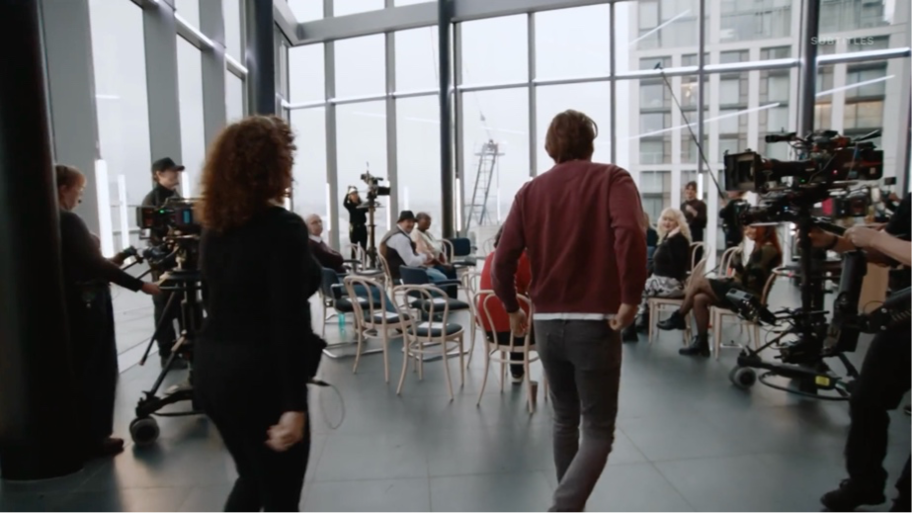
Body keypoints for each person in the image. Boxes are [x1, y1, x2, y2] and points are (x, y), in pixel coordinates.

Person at [492, 109, 647, 513]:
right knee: (598, 430)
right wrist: (630, 296)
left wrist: (511, 306)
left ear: (550, 146)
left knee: (564, 419)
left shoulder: (530, 192)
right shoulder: (613, 179)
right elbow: (630, 233)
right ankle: (564, 507)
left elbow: (502, 259)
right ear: (590, 143)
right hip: (594, 323)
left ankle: (569, 505)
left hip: (546, 325)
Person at [196, 116, 324, 513]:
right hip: (260, 379)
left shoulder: (214, 229)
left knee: (252, 478)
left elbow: (214, 300)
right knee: (281, 496)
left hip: (213, 370)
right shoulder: (283, 228)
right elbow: (287, 319)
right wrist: (293, 405)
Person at [56, 165, 161, 458]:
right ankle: (96, 437)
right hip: (88, 307)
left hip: (74, 305)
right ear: (64, 189)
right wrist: (141, 285)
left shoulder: (47, 220)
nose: (79, 196)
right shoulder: (68, 221)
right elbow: (94, 265)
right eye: (78, 189)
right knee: (97, 369)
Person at [817, 193, 912, 514]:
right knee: (866, 398)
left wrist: (875, 238)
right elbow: (886, 252)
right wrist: (834, 241)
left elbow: (883, 243)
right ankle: (865, 483)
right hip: (906, 315)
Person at [658, 225, 782, 357]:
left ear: (765, 229)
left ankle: (679, 316)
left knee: (700, 281)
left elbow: (751, 278)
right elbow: (745, 276)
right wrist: (736, 265)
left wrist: (735, 272)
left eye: (752, 228)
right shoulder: (759, 247)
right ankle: (701, 343)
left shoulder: (768, 250)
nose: (747, 231)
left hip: (749, 299)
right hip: (743, 293)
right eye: (745, 229)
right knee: (699, 299)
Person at [142, 157, 186, 368]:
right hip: (163, 261)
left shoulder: (174, 197)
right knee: (165, 307)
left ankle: (183, 347)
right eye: (171, 171)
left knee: (180, 305)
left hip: (178, 259)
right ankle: (167, 353)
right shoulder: (153, 200)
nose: (176, 174)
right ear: (158, 174)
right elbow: (152, 233)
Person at [624, 208, 692, 342]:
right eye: (665, 219)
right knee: (641, 283)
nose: (667, 222)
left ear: (678, 223)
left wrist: (669, 241)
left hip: (671, 284)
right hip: (662, 280)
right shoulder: (669, 237)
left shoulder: (678, 240)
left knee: (635, 288)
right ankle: (642, 322)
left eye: (671, 220)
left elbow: (677, 266)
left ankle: (631, 326)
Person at [478, 226, 532, 384]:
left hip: (489, 328)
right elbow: (534, 290)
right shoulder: (522, 258)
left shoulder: (490, 256)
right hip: (514, 332)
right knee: (546, 328)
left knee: (512, 314)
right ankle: (520, 371)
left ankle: (516, 371)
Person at [380, 210, 457, 297]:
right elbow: (412, 262)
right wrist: (425, 256)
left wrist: (423, 257)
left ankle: (442, 301)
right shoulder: (400, 238)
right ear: (400, 222)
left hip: (403, 270)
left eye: (413, 222)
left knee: (438, 272)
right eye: (408, 221)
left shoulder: (396, 234)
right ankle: (433, 303)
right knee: (441, 278)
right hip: (403, 275)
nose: (411, 224)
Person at [343, 187, 368, 259]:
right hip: (354, 228)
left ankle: (363, 262)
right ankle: (354, 263)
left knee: (363, 248)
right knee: (354, 248)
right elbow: (344, 203)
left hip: (362, 228)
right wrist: (347, 192)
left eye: (356, 194)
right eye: (353, 194)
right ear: (350, 197)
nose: (355, 195)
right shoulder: (350, 206)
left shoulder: (362, 205)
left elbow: (368, 209)